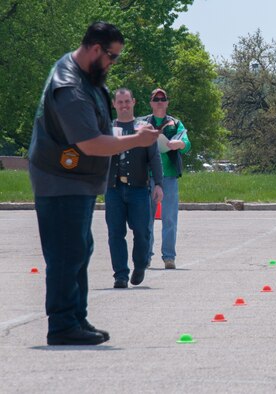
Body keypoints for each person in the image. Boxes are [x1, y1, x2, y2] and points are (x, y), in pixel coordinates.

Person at [28, 22, 160, 345]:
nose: (113, 63)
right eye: (112, 57)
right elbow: (90, 143)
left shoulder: (84, 76)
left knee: (79, 248)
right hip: (60, 181)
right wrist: (136, 140)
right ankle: (61, 325)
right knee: (65, 252)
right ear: (96, 50)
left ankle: (76, 317)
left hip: (76, 181)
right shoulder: (70, 86)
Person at [106, 88, 164, 289]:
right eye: (120, 102)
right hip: (113, 189)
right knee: (115, 233)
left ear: (134, 102)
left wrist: (158, 184)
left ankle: (140, 264)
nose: (123, 105)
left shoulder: (144, 128)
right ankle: (120, 275)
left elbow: (154, 158)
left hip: (139, 188)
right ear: (114, 104)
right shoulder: (107, 128)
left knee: (142, 231)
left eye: (127, 101)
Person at [141, 88, 191, 270]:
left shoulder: (176, 124)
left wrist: (180, 144)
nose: (160, 102)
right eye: (156, 99)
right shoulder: (143, 123)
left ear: (167, 102)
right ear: (151, 103)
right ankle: (145, 257)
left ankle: (169, 257)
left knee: (169, 218)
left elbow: (186, 144)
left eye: (163, 99)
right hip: (146, 177)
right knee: (145, 219)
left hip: (169, 177)